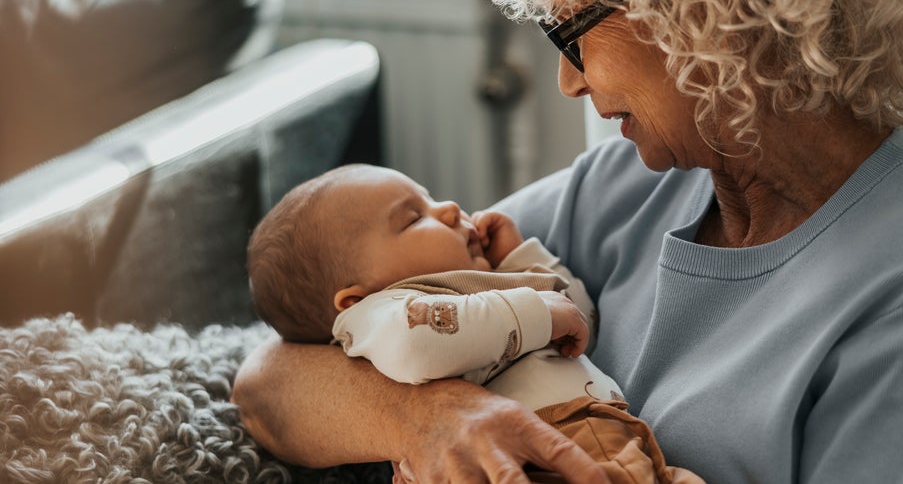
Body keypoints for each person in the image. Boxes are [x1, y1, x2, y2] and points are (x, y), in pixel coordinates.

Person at [233, 0, 903, 481]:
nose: (570, 79)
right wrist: (430, 422)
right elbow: (272, 377)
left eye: (570, 34)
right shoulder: (628, 184)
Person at [245, 164, 702, 484]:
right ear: (354, 297)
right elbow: (421, 346)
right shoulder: (383, 312)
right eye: (412, 218)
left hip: (609, 436)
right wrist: (535, 311)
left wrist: (519, 262)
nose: (447, 209)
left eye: (430, 197)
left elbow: (578, 328)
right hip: (531, 456)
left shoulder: (482, 290)